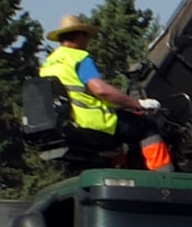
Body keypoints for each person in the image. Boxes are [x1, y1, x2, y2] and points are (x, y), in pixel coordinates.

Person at [41, 14, 172, 170]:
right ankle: (165, 176)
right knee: (146, 126)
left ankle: (123, 169)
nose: (88, 41)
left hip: (67, 125)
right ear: (79, 35)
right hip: (92, 122)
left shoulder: (48, 64)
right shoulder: (79, 57)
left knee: (127, 131)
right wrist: (137, 103)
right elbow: (101, 90)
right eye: (87, 36)